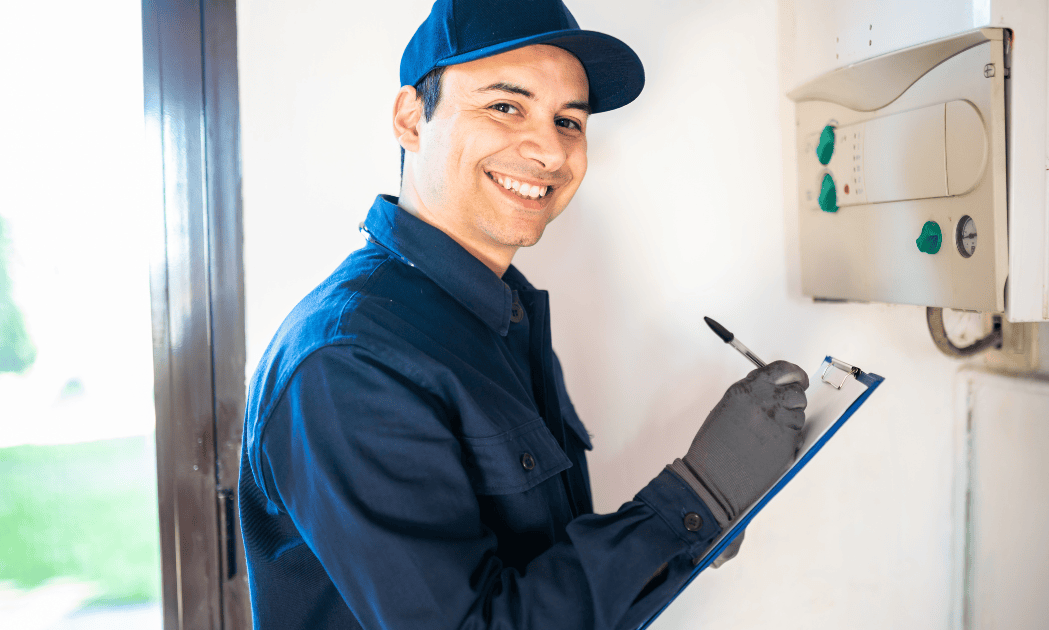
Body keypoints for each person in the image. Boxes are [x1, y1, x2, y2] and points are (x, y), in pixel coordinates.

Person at [237, 1, 810, 628]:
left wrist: (693, 532)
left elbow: (538, 570)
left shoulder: (501, 313)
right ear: (410, 118)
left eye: (569, 120)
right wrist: (698, 498)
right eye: (505, 106)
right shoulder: (351, 360)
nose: (549, 151)